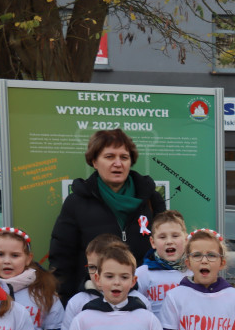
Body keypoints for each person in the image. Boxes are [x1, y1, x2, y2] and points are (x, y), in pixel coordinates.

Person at [49, 129, 167, 303]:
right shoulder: (77, 202)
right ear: (95, 162)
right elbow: (62, 259)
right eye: (110, 157)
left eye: (124, 157)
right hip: (93, 301)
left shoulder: (151, 198)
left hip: (143, 300)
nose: (118, 163)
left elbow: (164, 251)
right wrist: (66, 303)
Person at [135, 210, 189, 318]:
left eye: (175, 236)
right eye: (162, 237)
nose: (169, 241)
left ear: (186, 240)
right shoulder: (143, 273)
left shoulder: (193, 272)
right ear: (153, 242)